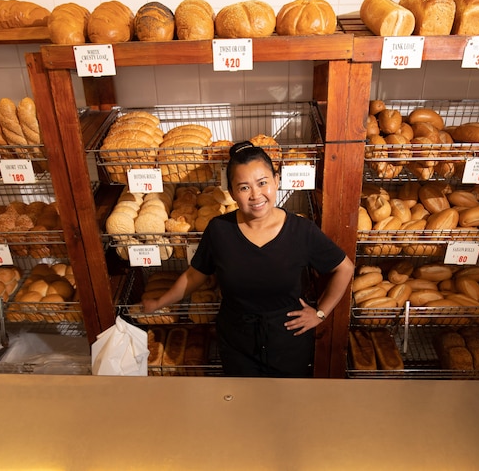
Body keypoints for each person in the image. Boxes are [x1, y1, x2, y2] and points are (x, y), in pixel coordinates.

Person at [143, 141, 354, 377]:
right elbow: (195, 275)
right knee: (242, 408)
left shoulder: (301, 230)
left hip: (289, 341)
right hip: (237, 342)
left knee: (289, 408)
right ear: (232, 192)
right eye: (244, 188)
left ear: (276, 180)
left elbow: (344, 268)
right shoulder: (219, 230)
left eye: (262, 183)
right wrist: (160, 302)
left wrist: (320, 314)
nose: (256, 195)